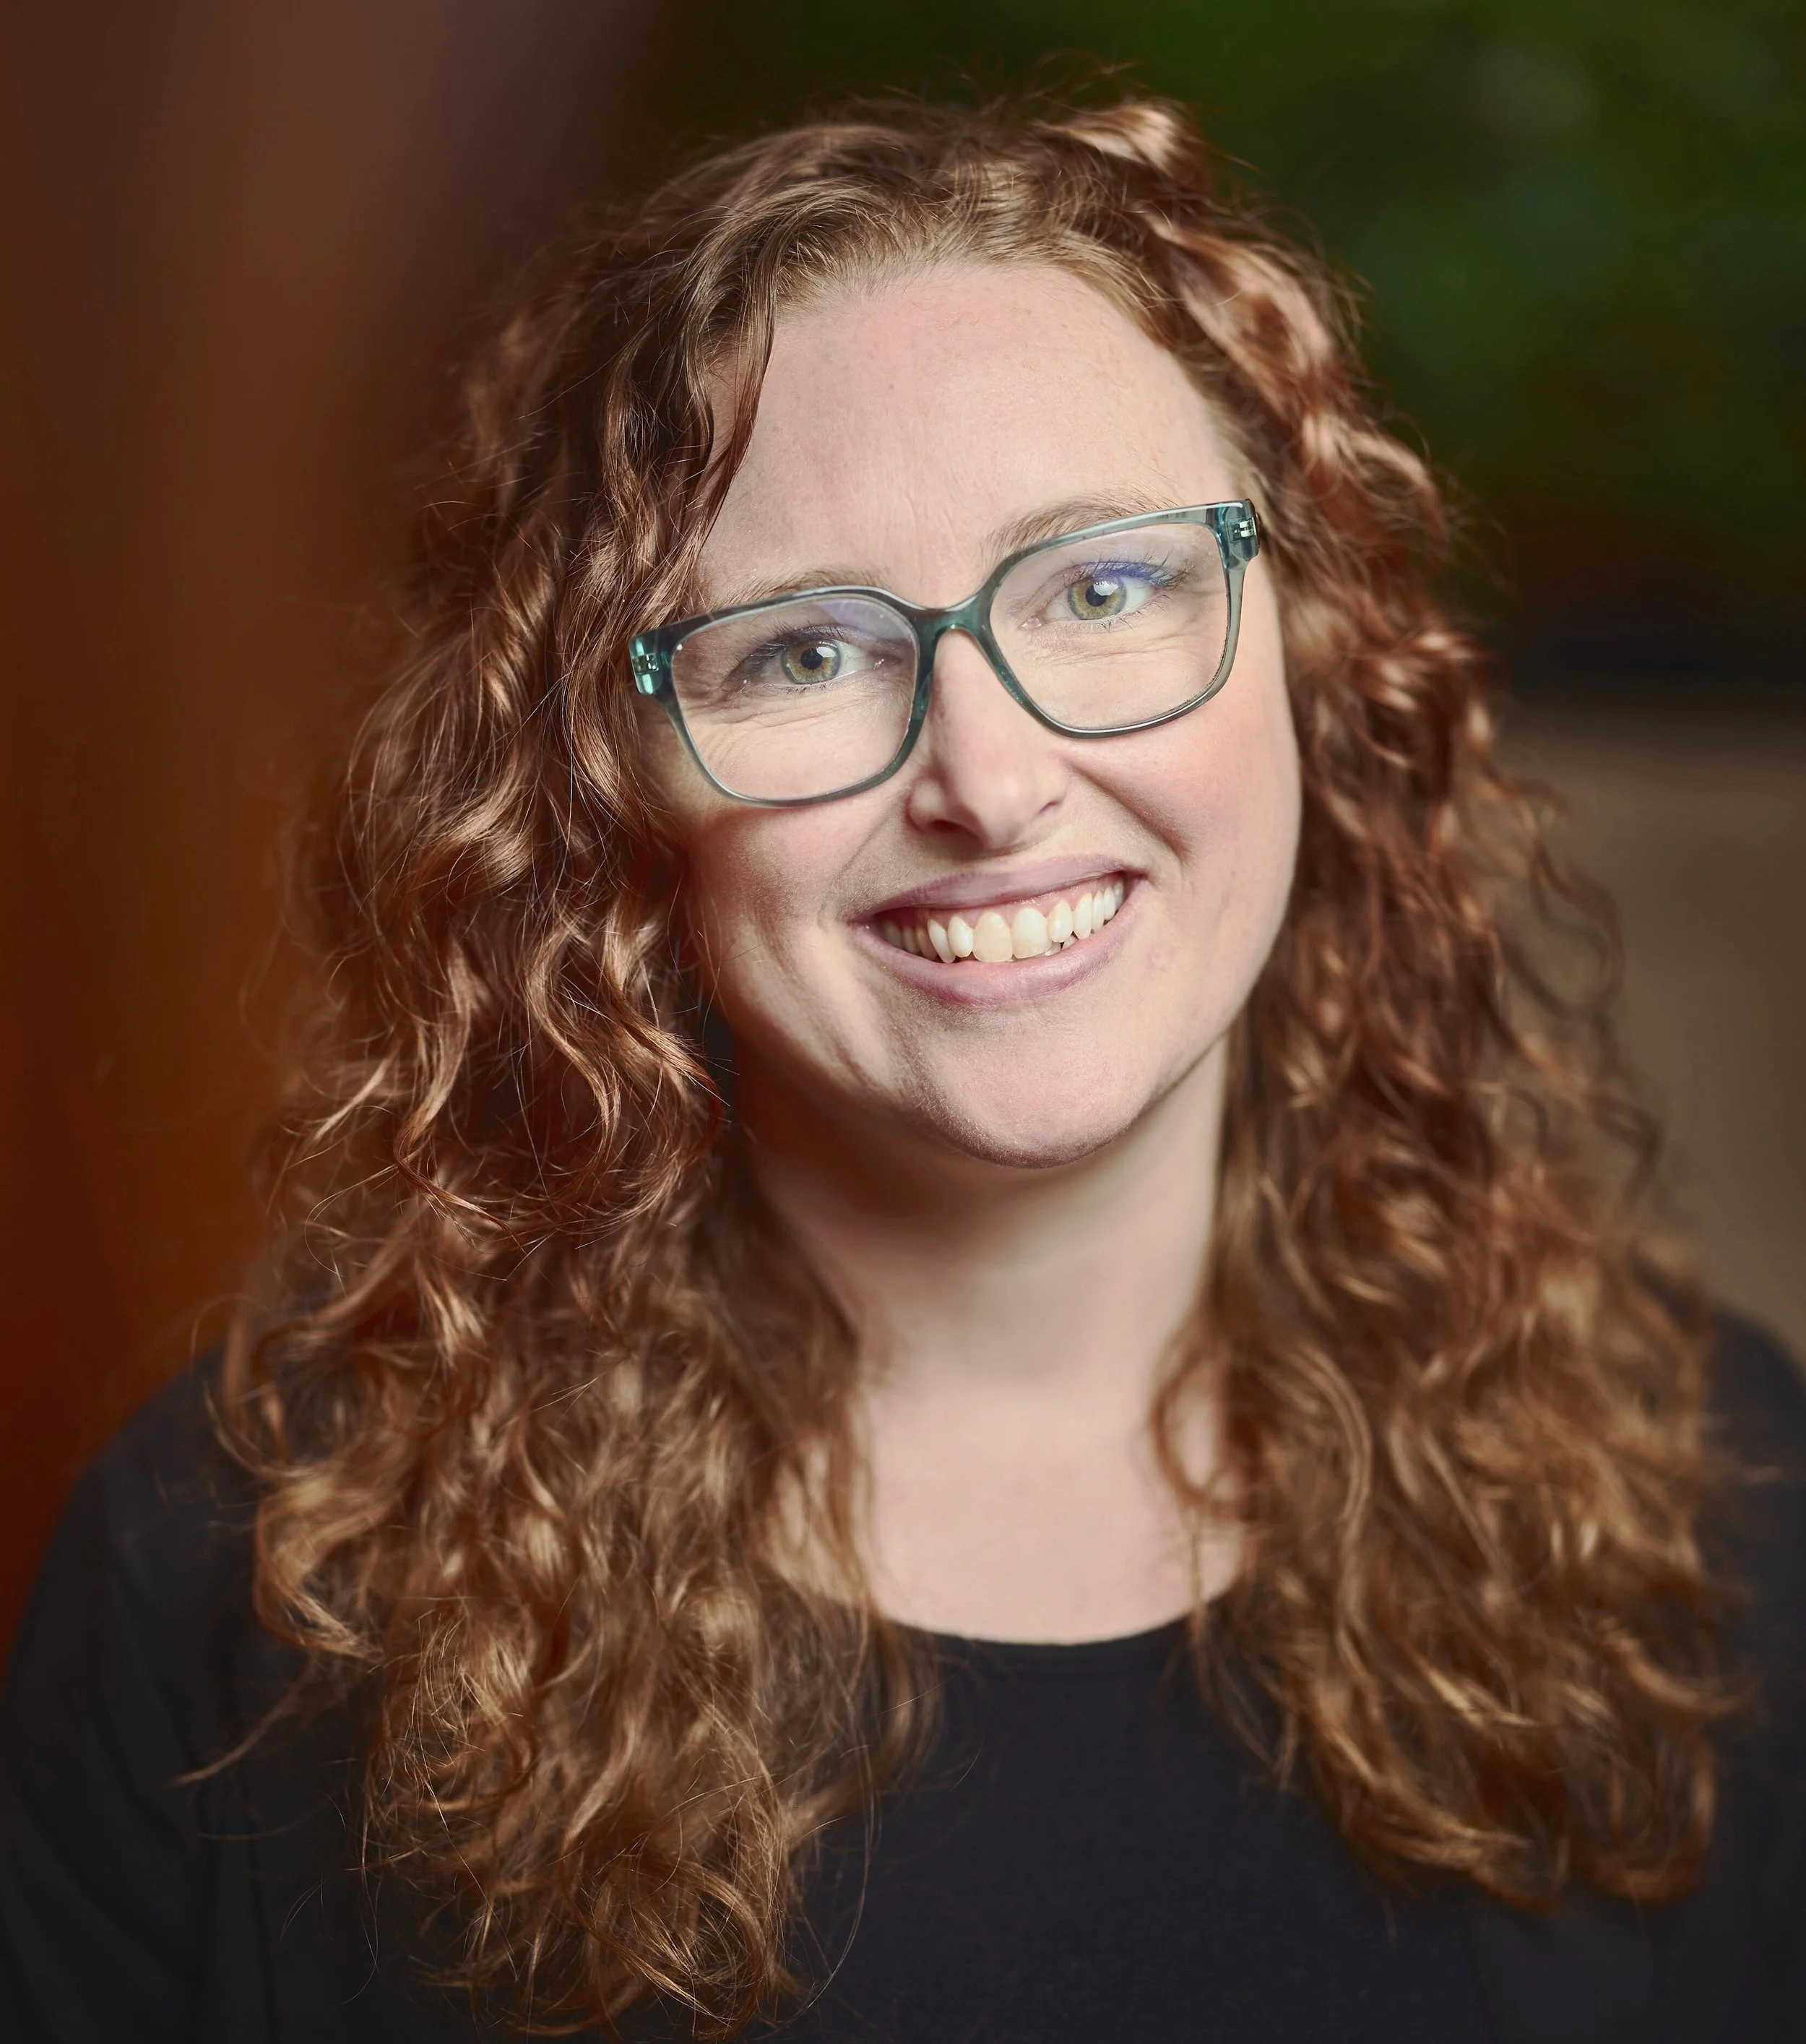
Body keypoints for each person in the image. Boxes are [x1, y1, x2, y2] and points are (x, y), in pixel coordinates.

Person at [1, 91, 1802, 2044]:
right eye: (799, 651)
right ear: (607, 785)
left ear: (1308, 640)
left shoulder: (1730, 1505)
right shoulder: (228, 1588)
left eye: (1100, 588)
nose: (987, 781)